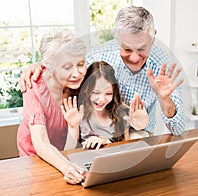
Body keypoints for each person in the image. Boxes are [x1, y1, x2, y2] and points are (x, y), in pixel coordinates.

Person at [19, 6, 186, 136]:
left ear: (153, 36)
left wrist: (166, 100)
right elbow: (68, 64)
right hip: (94, 134)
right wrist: (40, 66)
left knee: (138, 137)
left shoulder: (163, 69)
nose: (134, 58)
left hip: (135, 132)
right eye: (127, 49)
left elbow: (178, 129)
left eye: (141, 48)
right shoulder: (99, 58)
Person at [17, 29, 87, 185]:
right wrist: (66, 167)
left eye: (81, 64)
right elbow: (41, 142)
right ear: (48, 68)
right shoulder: (34, 86)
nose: (76, 73)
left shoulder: (78, 84)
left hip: (66, 151)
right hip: (35, 156)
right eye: (67, 67)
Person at [62, 61, 149, 150]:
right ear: (85, 90)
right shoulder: (79, 114)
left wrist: (141, 122)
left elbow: (135, 131)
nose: (102, 99)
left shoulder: (120, 111)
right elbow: (68, 150)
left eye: (108, 93)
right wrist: (73, 126)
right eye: (95, 92)